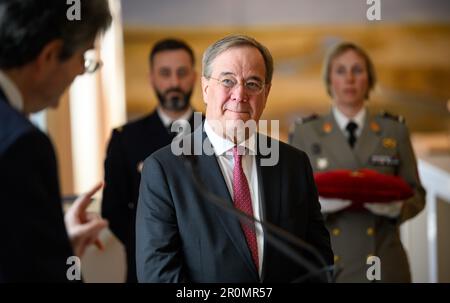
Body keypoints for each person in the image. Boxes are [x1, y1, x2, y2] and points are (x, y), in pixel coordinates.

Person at [136, 34, 333, 283]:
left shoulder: (294, 165)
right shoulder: (164, 169)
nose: (240, 94)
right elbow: (158, 275)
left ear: (266, 93)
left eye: (252, 83)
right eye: (227, 80)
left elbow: (318, 261)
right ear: (206, 88)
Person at [289, 42, 426, 282]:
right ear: (330, 80)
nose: (349, 79)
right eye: (341, 71)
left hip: (384, 262)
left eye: (358, 70)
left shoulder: (394, 130)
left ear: (369, 79)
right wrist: (315, 207)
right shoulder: (305, 133)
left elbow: (417, 194)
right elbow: (290, 200)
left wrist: (397, 209)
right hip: (329, 263)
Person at [0, 0, 112, 282]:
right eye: (83, 59)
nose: (79, 72)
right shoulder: (23, 143)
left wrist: (52, 242)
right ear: (49, 55)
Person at [101, 38, 201, 283]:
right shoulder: (125, 139)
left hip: (206, 271)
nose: (174, 83)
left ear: (195, 77)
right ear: (152, 78)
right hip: (146, 269)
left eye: (182, 73)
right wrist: (150, 243)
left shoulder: (216, 133)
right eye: (165, 73)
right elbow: (113, 211)